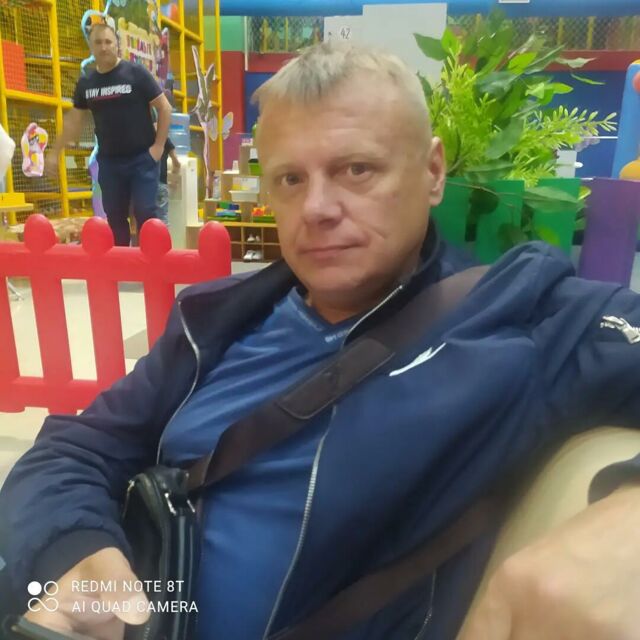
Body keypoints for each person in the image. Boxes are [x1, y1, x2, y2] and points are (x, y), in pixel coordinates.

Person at [2, 41, 640, 640]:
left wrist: (626, 525)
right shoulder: (216, 319)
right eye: (290, 179)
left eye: (357, 170)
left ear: (433, 171)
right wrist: (77, 551)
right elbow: (75, 448)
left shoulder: (518, 318)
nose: (317, 208)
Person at [44, 22, 173, 246]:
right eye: (98, 43)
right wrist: (55, 152)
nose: (104, 47)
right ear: (91, 47)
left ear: (117, 45)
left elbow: (165, 108)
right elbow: (74, 121)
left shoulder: (135, 74)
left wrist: (159, 147)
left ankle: (153, 261)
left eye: (108, 42)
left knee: (145, 212)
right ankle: (121, 263)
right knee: (114, 217)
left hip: (142, 160)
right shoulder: (87, 83)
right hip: (110, 163)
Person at [156, 137, 181, 226]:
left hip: (145, 184)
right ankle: (163, 235)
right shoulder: (165, 139)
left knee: (145, 217)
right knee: (163, 218)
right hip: (161, 183)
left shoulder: (144, 136)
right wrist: (173, 178)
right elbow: (177, 163)